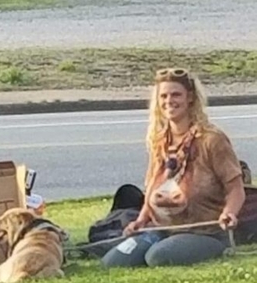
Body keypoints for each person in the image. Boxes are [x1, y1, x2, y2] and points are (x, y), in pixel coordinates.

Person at [102, 67, 245, 269]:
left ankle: (215, 248)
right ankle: (157, 242)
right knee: (114, 262)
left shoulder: (212, 139)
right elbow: (152, 187)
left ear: (190, 98)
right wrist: (141, 221)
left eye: (176, 94)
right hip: (161, 229)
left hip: (205, 232)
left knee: (157, 257)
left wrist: (229, 213)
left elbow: (235, 187)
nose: (169, 101)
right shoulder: (159, 140)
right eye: (164, 96)